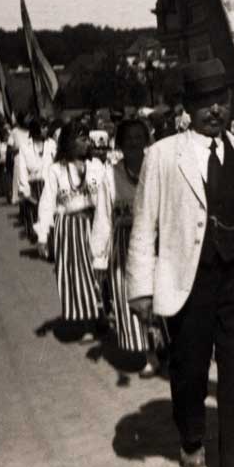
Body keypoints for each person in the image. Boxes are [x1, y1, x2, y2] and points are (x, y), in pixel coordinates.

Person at [126, 59, 234, 467]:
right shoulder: (162, 155)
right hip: (189, 279)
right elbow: (144, 223)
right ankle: (192, 435)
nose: (215, 110)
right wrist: (141, 288)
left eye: (221, 100)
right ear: (188, 106)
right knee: (190, 366)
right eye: (205, 102)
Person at [90, 119, 164, 378]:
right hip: (125, 245)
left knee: (162, 294)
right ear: (119, 143)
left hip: (156, 239)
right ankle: (149, 354)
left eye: (138, 136)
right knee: (133, 298)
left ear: (146, 140)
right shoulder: (110, 176)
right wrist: (99, 257)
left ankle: (166, 345)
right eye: (128, 138)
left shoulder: (156, 168)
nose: (133, 142)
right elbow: (103, 217)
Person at [35, 121, 106, 333]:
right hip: (69, 228)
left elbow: (107, 195)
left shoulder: (97, 166)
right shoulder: (56, 170)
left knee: (99, 270)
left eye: (88, 139)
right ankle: (87, 320)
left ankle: (101, 312)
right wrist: (42, 236)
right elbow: (47, 203)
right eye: (82, 139)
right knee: (77, 274)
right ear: (69, 142)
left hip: (95, 224)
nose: (88, 143)